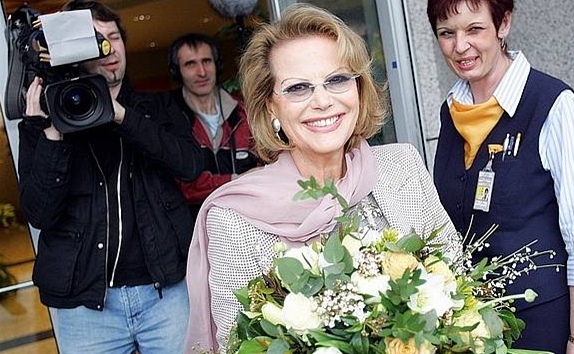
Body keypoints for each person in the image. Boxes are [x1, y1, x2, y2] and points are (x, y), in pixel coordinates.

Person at [185, 3, 462, 352]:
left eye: (336, 79)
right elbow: (237, 346)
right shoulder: (234, 220)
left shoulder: (402, 166)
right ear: (271, 106)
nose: (322, 101)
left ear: (358, 88)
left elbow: (458, 282)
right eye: (298, 88)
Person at [426, 0, 574, 353]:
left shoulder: (555, 106)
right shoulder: (451, 112)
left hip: (544, 324)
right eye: (446, 33)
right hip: (473, 326)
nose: (460, 46)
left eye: (474, 29)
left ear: (504, 24)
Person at [17, 0, 205, 353]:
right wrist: (51, 132)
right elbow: (40, 213)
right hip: (86, 308)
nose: (108, 48)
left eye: (114, 37)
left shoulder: (159, 107)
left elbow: (190, 165)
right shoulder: (43, 122)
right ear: (75, 52)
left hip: (164, 293)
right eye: (95, 39)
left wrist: (120, 115)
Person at [167, 33, 259, 216]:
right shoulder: (170, 119)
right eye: (190, 64)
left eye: (207, 61)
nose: (202, 72)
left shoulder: (244, 113)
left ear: (217, 65)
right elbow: (186, 187)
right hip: (195, 225)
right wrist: (237, 180)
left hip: (249, 218)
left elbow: (265, 170)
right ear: (176, 71)